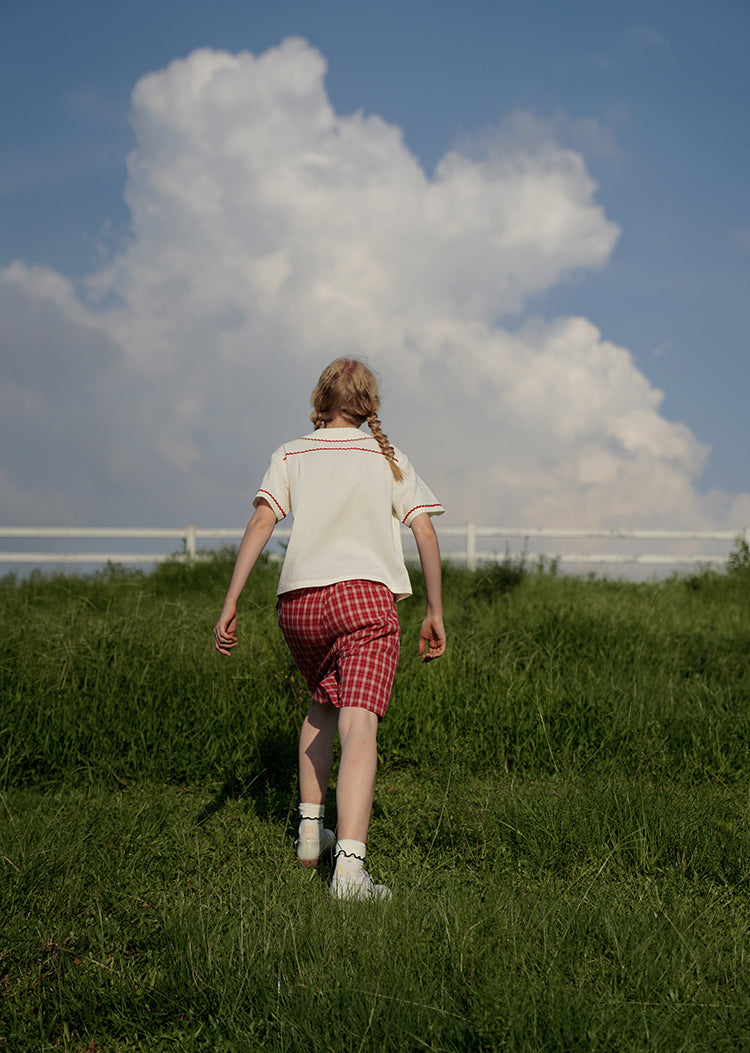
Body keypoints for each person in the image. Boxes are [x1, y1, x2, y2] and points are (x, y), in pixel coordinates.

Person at [214, 358, 446, 900]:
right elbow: (426, 534)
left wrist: (230, 603)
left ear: (321, 399)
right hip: (364, 599)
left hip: (298, 603)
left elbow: (261, 522)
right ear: (369, 405)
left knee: (322, 706)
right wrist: (434, 610)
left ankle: (309, 834)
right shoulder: (389, 459)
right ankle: (348, 870)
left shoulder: (291, 453)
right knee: (358, 726)